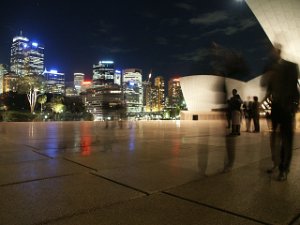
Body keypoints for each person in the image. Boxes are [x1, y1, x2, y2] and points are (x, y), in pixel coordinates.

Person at [261, 43, 299, 181]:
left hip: (287, 109)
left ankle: (284, 169)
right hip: (275, 108)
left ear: (279, 51)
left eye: (273, 50)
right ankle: (275, 163)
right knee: (274, 139)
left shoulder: (291, 66)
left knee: (286, 141)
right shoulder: (270, 69)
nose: (271, 53)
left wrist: (293, 106)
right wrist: (262, 101)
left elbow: (295, 89)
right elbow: (266, 87)